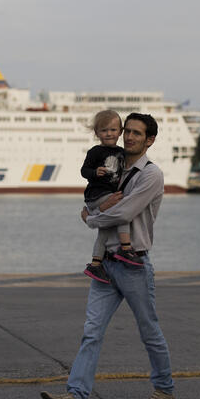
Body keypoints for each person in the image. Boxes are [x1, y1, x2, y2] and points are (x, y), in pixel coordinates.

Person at [41, 113, 174, 399]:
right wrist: (94, 208)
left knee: (148, 329)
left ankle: (164, 389)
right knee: (91, 332)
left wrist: (91, 219)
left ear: (150, 140)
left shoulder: (151, 175)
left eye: (137, 134)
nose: (128, 137)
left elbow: (123, 211)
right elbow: (96, 196)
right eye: (126, 131)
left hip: (133, 263)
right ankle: (76, 396)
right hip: (105, 265)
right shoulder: (112, 166)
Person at [80, 110, 144, 284]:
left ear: (120, 131)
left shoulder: (122, 153)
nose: (109, 134)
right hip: (97, 194)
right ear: (97, 133)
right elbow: (83, 171)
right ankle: (125, 248)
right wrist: (94, 172)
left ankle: (95, 263)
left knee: (105, 232)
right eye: (104, 130)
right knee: (123, 212)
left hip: (108, 194)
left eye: (113, 130)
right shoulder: (95, 151)